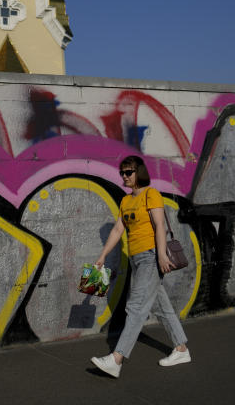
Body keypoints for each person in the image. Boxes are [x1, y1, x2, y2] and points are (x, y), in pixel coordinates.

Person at [90, 155, 190, 378]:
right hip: (136, 260)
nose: (124, 176)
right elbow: (118, 230)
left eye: (129, 172)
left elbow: (159, 225)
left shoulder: (150, 194)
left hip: (151, 256)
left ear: (139, 173)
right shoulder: (126, 201)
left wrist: (162, 254)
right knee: (162, 307)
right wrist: (102, 255)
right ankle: (181, 348)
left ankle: (117, 358)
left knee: (135, 306)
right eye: (122, 173)